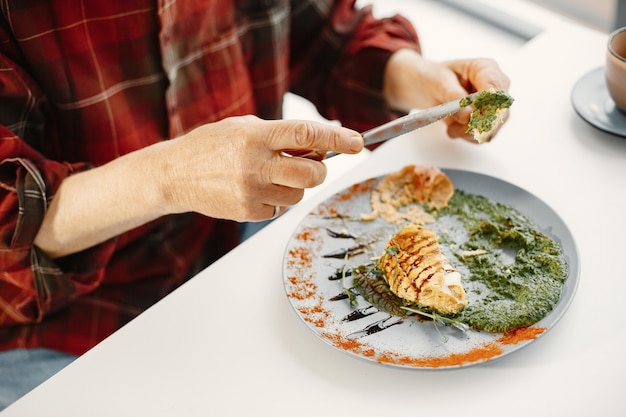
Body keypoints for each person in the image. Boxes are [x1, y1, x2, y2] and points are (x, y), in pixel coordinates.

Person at [0, 0, 510, 409]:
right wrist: (170, 177)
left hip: (234, 243)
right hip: (66, 322)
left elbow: (326, 39)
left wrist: (422, 80)